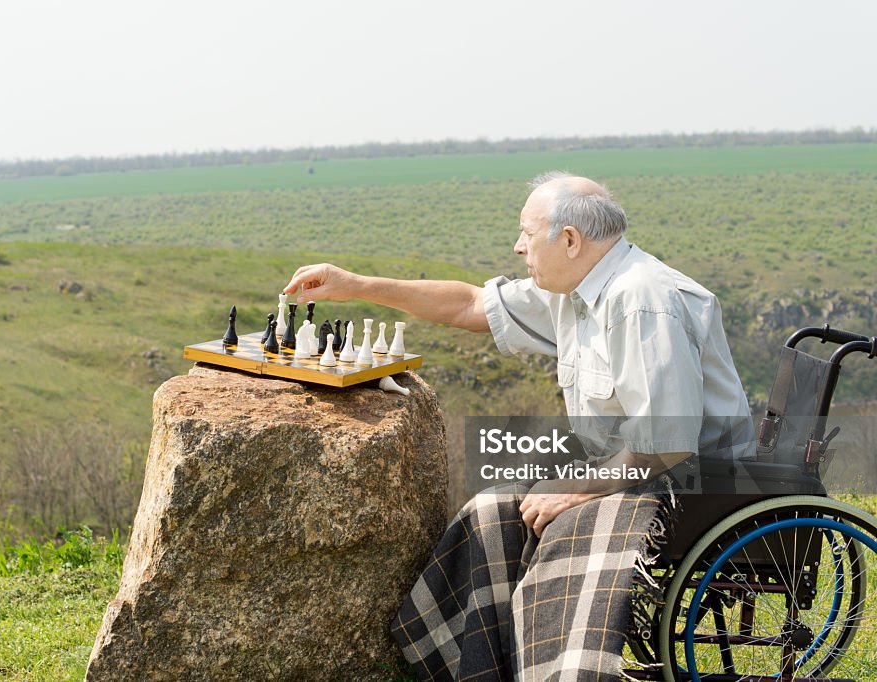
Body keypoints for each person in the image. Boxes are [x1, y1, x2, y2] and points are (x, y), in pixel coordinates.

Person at [283, 171, 755, 680]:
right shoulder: (578, 289)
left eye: (527, 234)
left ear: (570, 240)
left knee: (561, 526)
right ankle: (478, 667)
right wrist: (355, 285)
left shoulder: (639, 300)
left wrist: (577, 490)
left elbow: (666, 443)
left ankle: (564, 670)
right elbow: (468, 305)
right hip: (636, 469)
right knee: (492, 510)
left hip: (690, 482)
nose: (517, 247)